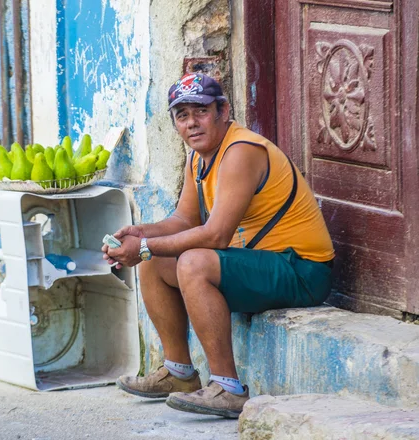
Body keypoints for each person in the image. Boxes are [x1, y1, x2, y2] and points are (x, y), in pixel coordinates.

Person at [101, 72, 335, 418]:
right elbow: (183, 220)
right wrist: (140, 234)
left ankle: (228, 388)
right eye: (182, 116)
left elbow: (216, 236)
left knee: (191, 262)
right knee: (155, 258)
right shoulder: (199, 158)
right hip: (260, 264)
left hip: (301, 270)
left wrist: (147, 245)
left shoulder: (241, 151)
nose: (192, 124)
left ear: (223, 111)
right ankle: (179, 373)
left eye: (201, 112)